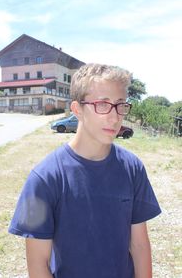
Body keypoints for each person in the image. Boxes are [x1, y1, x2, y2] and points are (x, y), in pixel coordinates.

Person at [9, 63, 161, 278]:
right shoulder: (44, 179)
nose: (115, 116)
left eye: (120, 105)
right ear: (77, 110)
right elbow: (38, 264)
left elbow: (139, 246)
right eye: (102, 104)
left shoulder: (132, 168)